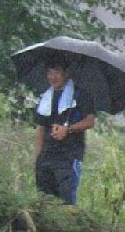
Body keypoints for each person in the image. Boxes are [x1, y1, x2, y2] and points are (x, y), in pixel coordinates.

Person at [33, 55, 95, 206]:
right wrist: (37, 158)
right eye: (49, 72)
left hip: (69, 156)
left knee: (66, 201)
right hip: (46, 156)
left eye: (57, 72)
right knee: (45, 201)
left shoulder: (80, 95)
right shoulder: (45, 97)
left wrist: (68, 130)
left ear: (66, 73)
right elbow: (40, 128)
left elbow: (90, 121)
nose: (52, 77)